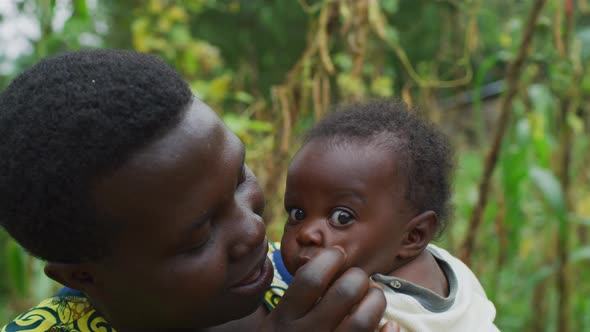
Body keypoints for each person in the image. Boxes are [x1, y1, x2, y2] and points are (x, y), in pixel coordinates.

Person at [0, 49, 397, 332]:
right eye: (200, 236)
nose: (254, 230)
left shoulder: (306, 275)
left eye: (240, 178)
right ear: (84, 275)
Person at [262, 100, 500, 331]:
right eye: (297, 213)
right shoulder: (455, 272)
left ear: (412, 236)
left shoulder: (361, 314)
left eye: (341, 218)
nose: (306, 233)